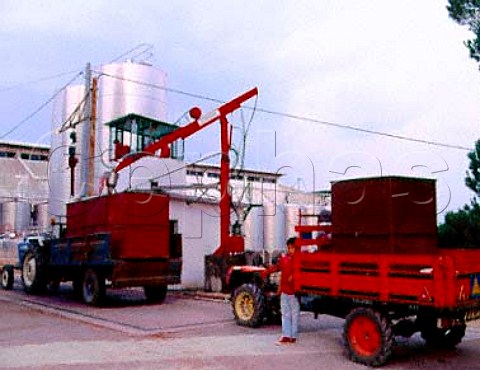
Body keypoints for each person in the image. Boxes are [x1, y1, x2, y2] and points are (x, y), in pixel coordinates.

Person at [262, 237, 300, 345]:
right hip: (286, 291)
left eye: (292, 248)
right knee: (287, 314)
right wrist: (267, 271)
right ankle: (288, 336)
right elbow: (277, 268)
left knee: (293, 314)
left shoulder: (297, 260)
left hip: (293, 292)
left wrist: (293, 276)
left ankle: (291, 336)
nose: (290, 250)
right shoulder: (286, 259)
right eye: (289, 248)